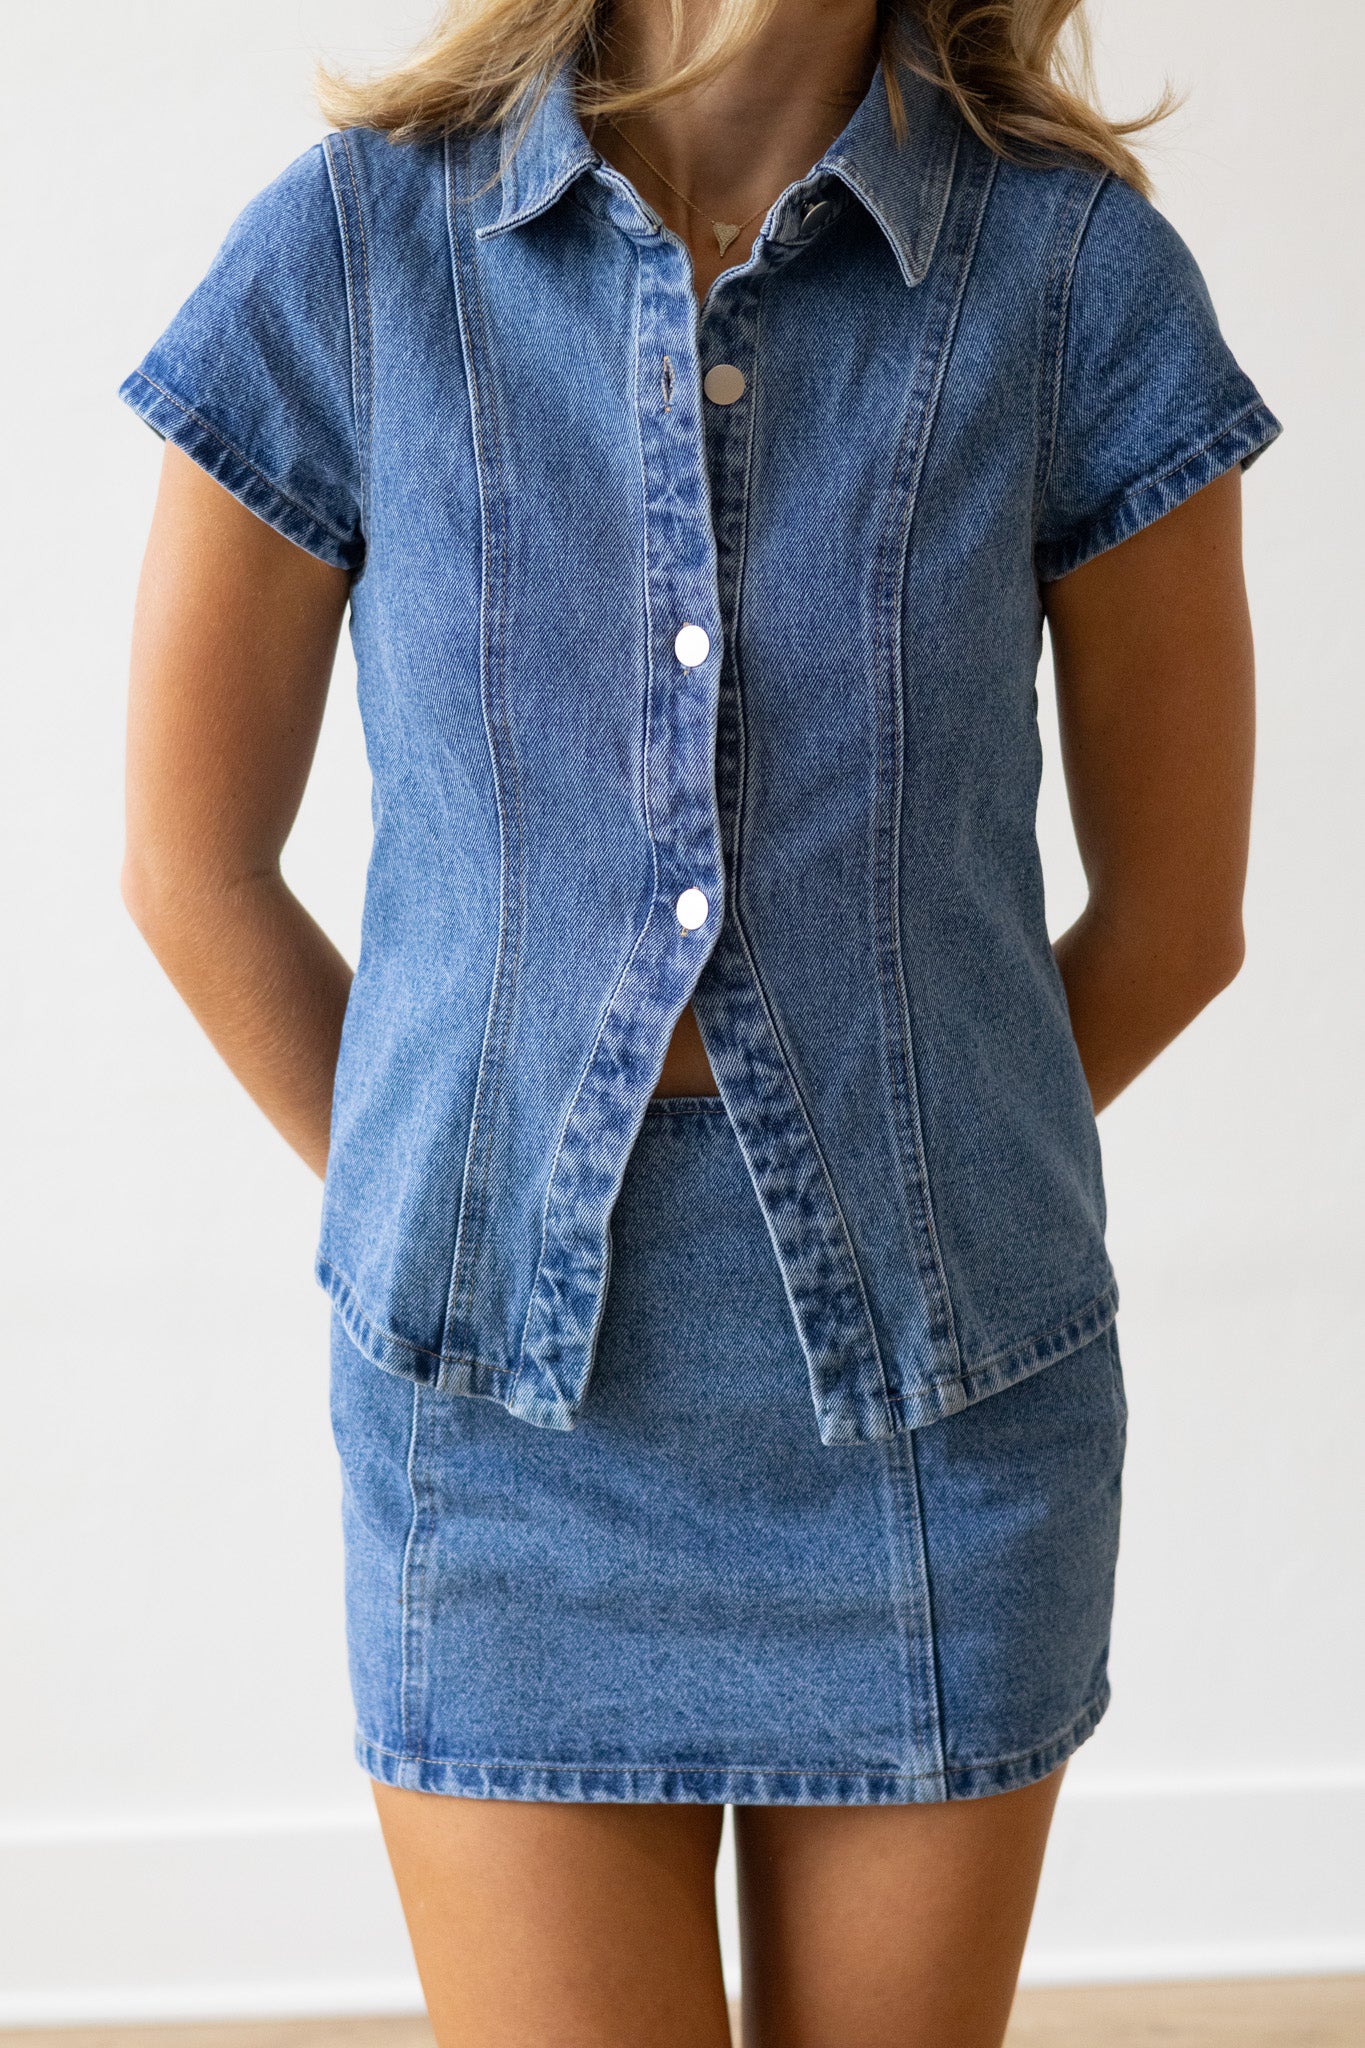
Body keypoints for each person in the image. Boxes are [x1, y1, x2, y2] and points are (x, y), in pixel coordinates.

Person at [115, 0, 1281, 2039]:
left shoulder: (1071, 280)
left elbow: (1178, 922)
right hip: (497, 1436)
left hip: (939, 1421)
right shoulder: (358, 256)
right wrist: (461, 1208)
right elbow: (189, 867)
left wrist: (893, 1172)